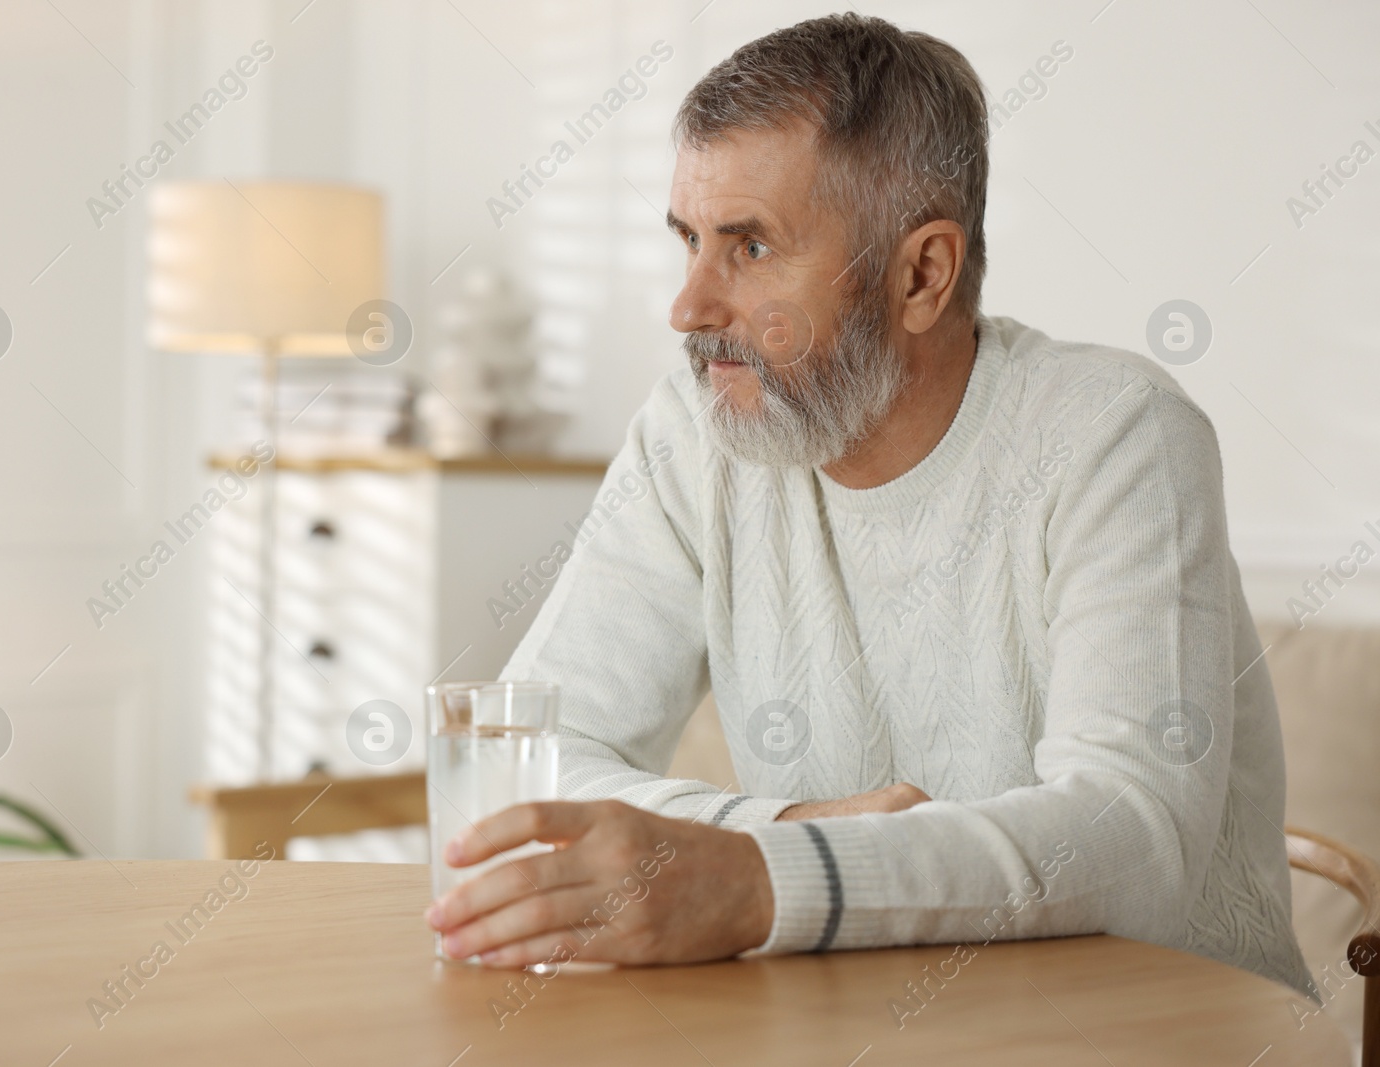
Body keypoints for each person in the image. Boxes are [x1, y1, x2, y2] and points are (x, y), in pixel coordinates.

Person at [424, 12, 1312, 995]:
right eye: (689, 240)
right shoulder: (695, 428)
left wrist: (761, 883)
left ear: (921, 274)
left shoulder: (1117, 433)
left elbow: (1129, 838)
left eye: (750, 247)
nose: (687, 305)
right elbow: (533, 763)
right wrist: (783, 841)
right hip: (856, 1019)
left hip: (1161, 1033)